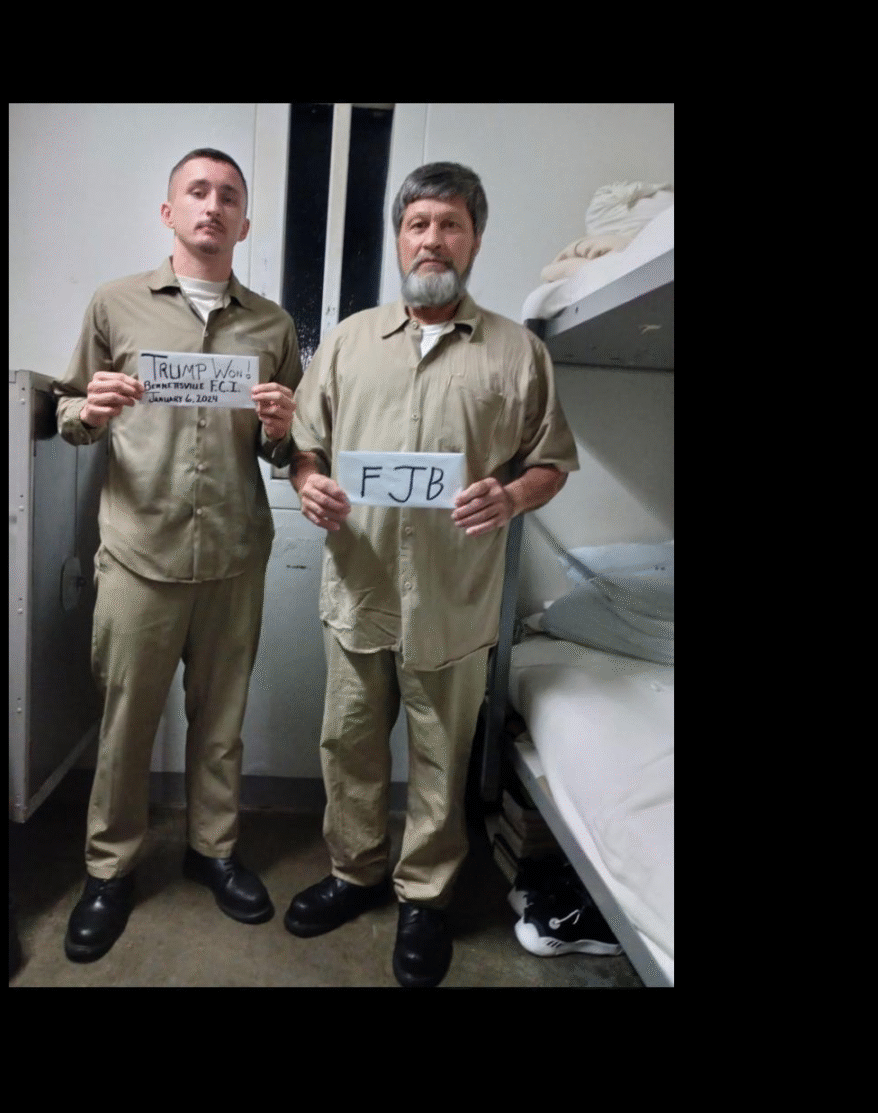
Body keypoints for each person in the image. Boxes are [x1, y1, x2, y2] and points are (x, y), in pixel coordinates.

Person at [284, 161, 578, 987]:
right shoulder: (345, 343)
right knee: (347, 745)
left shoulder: (519, 354)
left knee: (443, 758)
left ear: (475, 238)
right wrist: (308, 482)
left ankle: (425, 897)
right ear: (398, 237)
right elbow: (303, 445)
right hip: (360, 593)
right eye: (418, 223)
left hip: (455, 605)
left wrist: (512, 494)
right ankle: (355, 872)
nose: (432, 238)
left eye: (450, 223)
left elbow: (551, 463)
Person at [50, 148, 303, 964]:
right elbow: (65, 412)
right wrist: (86, 408)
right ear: (169, 213)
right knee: (126, 724)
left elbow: (286, 449)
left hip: (234, 553)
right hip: (137, 551)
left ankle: (214, 852)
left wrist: (281, 431)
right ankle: (110, 869)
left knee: (220, 722)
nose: (212, 206)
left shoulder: (272, 325)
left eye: (229, 196)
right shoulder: (115, 304)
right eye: (197, 191)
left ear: (244, 222)